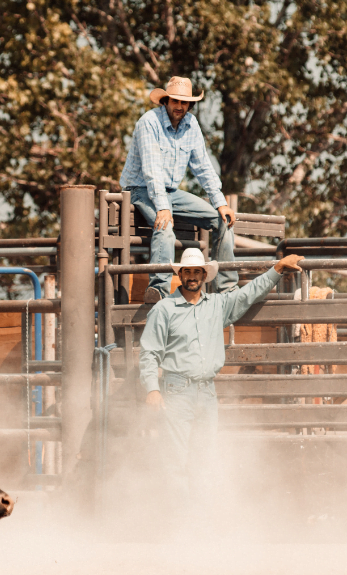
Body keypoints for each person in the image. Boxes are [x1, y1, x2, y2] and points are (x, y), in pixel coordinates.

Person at [139, 248, 303, 503]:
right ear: (180, 274)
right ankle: (178, 522)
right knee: (176, 458)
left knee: (205, 456)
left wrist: (277, 269)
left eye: (197, 271)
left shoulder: (217, 304)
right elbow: (149, 352)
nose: (192, 276)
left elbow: (248, 294)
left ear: (205, 275)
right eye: (187, 271)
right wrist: (152, 388)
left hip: (206, 390)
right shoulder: (164, 309)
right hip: (177, 390)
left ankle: (199, 519)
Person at [119, 76, 237, 303]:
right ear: (166, 101)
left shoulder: (191, 125)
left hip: (171, 192)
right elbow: (152, 171)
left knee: (222, 220)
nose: (179, 106)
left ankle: (226, 288)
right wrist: (163, 208)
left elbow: (203, 167)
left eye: (184, 102)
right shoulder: (149, 122)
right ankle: (159, 290)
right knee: (165, 225)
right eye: (175, 101)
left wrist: (220, 202)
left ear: (190, 105)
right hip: (140, 188)